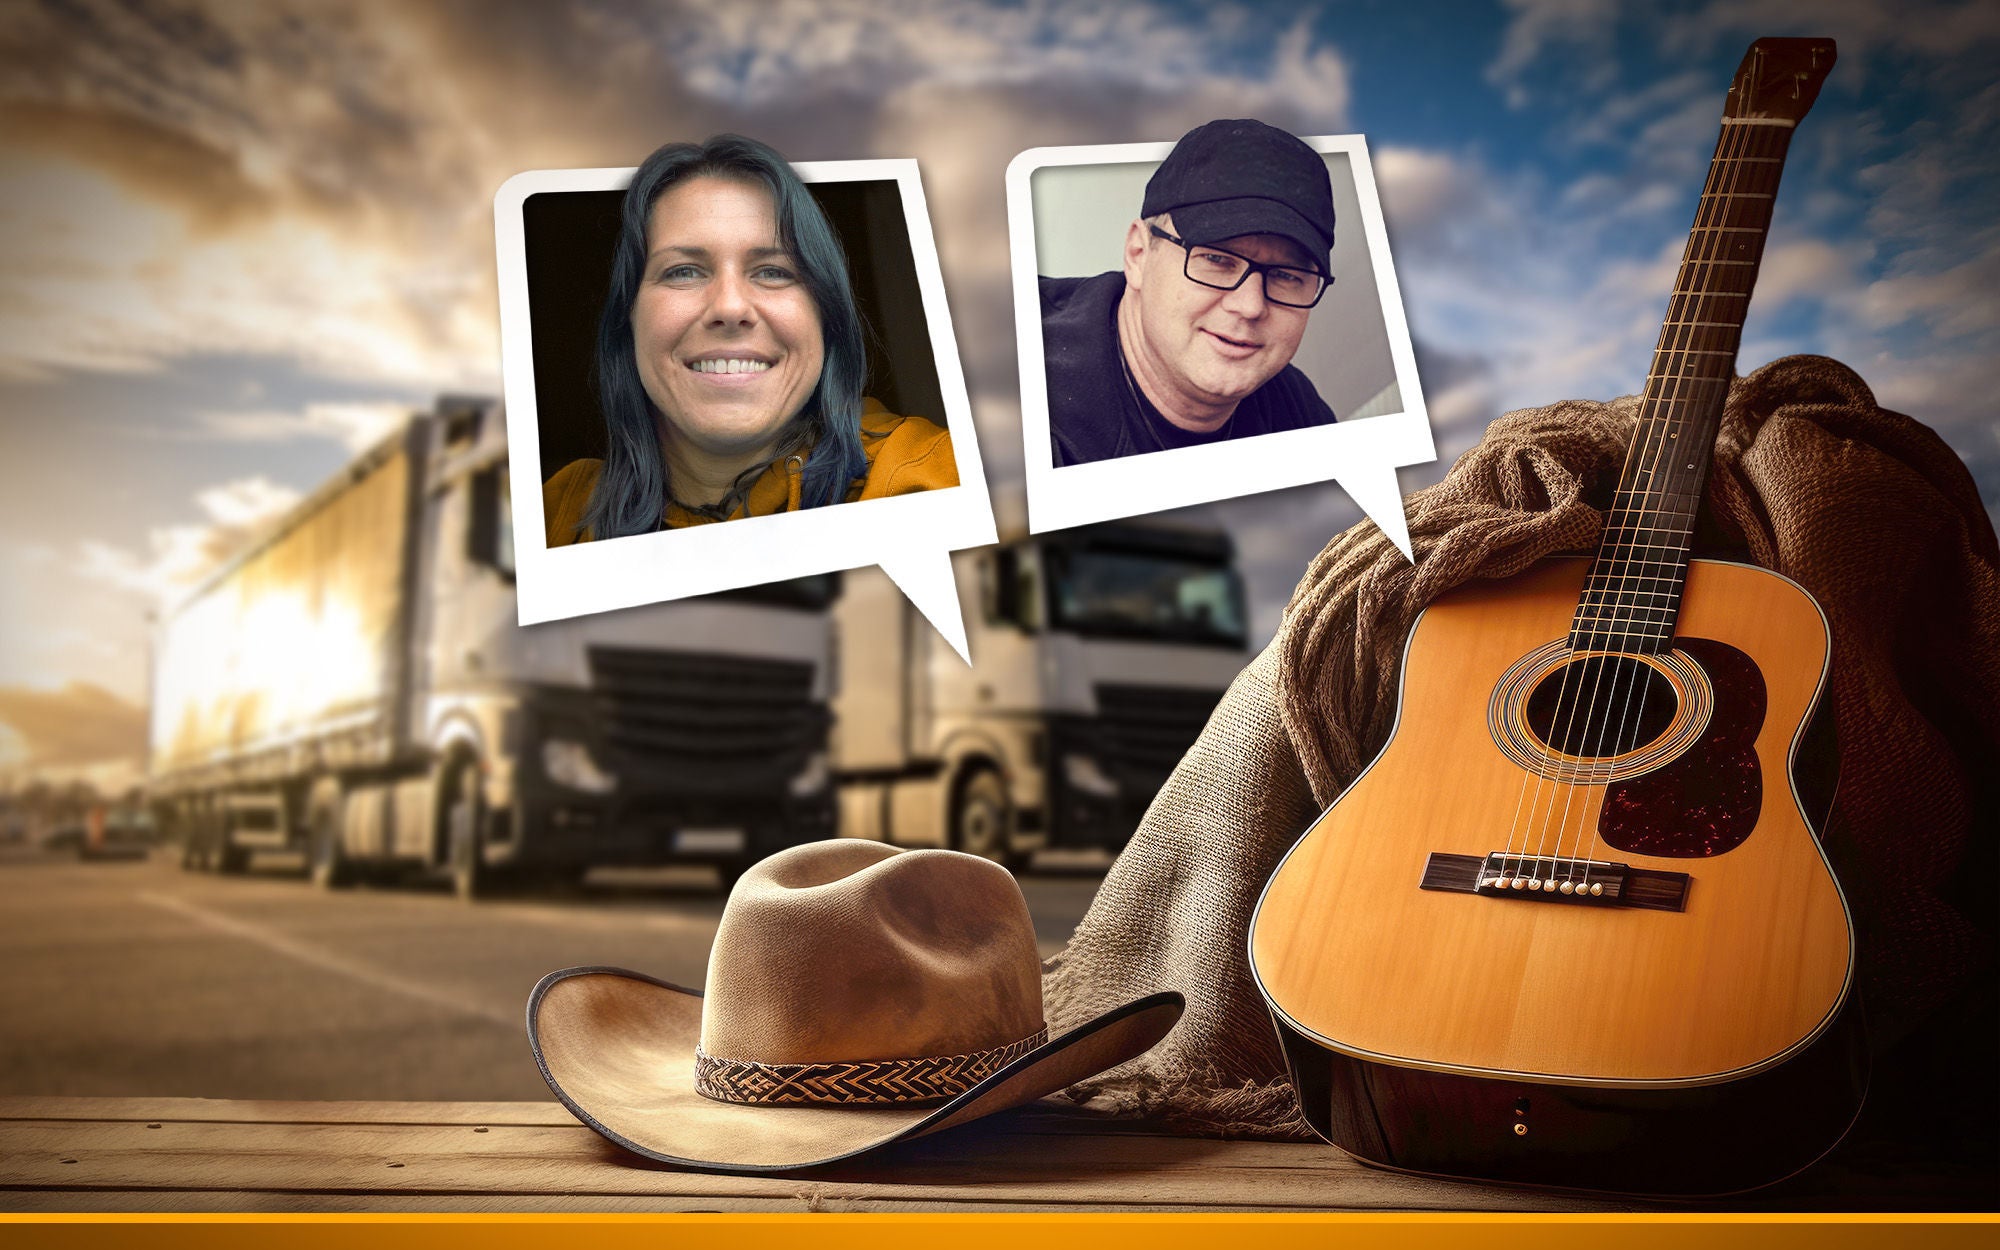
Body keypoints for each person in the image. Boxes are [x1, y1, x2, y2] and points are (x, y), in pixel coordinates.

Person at [545, 134, 956, 545]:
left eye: (774, 271)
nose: (729, 307)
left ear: (827, 319)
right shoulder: (559, 512)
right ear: (627, 320)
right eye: (683, 271)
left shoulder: (929, 477)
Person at [1040, 119, 1338, 468]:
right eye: (1216, 259)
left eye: (1287, 275)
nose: (1250, 306)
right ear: (1138, 254)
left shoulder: (1299, 417)